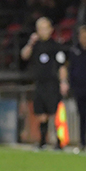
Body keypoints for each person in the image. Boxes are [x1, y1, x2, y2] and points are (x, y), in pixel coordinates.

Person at [20, 17, 69, 149]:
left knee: (54, 112)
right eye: (40, 28)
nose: (42, 31)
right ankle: (43, 140)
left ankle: (59, 141)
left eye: (44, 28)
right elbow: (24, 55)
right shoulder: (35, 45)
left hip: (52, 83)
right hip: (39, 83)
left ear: (50, 29)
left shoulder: (55, 46)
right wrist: (30, 43)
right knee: (41, 113)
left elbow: (61, 65)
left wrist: (63, 81)